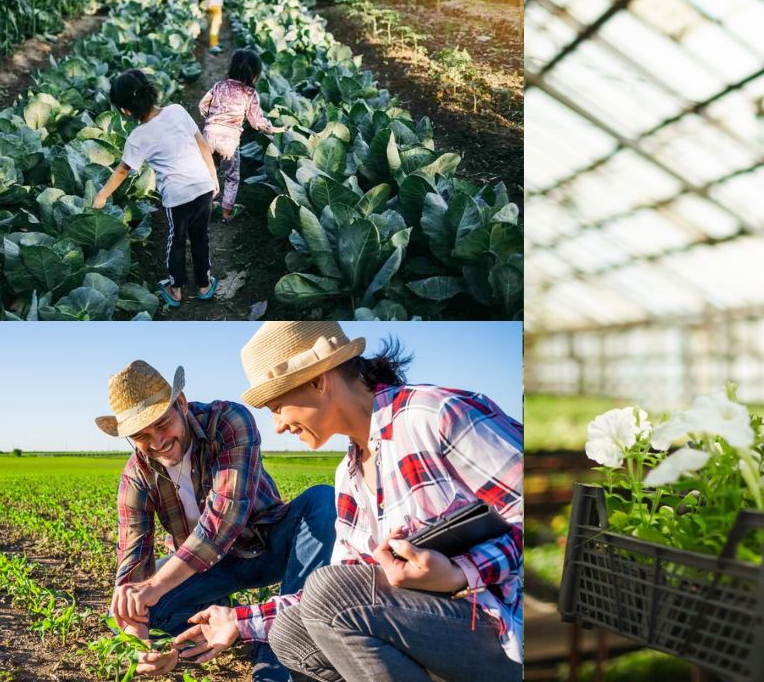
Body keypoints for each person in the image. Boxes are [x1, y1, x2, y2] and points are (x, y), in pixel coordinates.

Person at [167, 322, 524, 682]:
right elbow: (349, 585)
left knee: (328, 592)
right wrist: (240, 622)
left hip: (503, 631)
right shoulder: (349, 474)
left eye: (277, 407)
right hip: (432, 628)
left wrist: (460, 573)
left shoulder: (435, 415)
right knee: (290, 632)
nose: (277, 425)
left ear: (319, 380)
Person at [94, 359, 336, 681]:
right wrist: (139, 639)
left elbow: (224, 519)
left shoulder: (228, 421)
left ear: (180, 403)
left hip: (267, 546)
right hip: (210, 570)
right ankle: (209, 618)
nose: (157, 442)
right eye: (141, 435)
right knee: (124, 612)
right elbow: (133, 563)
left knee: (322, 500)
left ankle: (277, 663)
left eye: (163, 423)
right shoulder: (137, 475)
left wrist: (153, 585)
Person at [94, 70, 219, 308]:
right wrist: (213, 177)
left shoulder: (137, 137)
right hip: (203, 186)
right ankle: (204, 285)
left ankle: (175, 289)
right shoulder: (177, 111)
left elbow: (122, 171)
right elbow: (202, 144)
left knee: (177, 241)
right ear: (151, 91)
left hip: (177, 197)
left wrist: (102, 195)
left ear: (125, 111)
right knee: (201, 237)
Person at [199, 49, 285, 222]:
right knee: (232, 176)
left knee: (209, 172)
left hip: (208, 136)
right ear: (255, 75)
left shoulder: (219, 86)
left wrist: (211, 120)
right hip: (229, 141)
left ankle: (205, 208)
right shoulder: (250, 94)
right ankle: (226, 212)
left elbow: (202, 105)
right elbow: (256, 122)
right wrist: (274, 129)